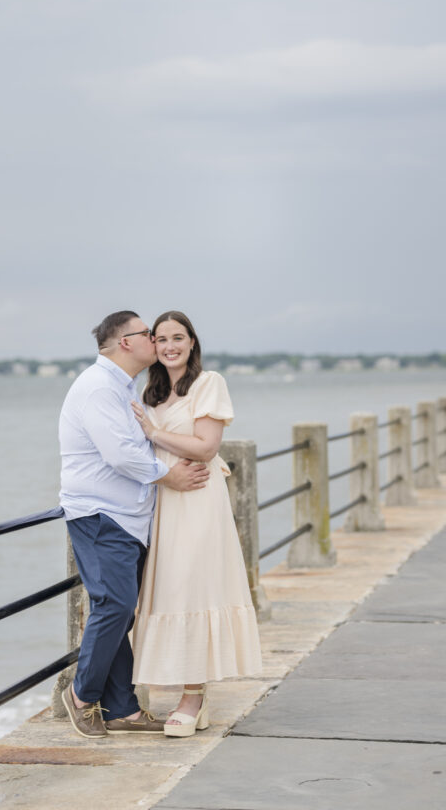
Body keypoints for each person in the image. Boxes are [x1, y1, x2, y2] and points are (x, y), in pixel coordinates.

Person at [58, 310, 210, 738]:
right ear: (126, 342)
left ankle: (122, 708)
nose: (156, 341)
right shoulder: (97, 387)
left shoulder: (124, 388)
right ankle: (82, 696)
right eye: (148, 334)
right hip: (101, 513)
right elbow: (120, 453)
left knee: (121, 611)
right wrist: (169, 476)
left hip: (129, 517)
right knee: (116, 605)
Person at [131, 310, 262, 738]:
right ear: (152, 344)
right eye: (162, 339)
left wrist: (153, 432)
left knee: (193, 584)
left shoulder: (209, 383)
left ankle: (194, 695)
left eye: (178, 338)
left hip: (198, 498)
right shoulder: (149, 392)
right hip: (164, 497)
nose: (170, 346)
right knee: (167, 587)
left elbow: (206, 448)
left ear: (192, 343)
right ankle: (175, 687)